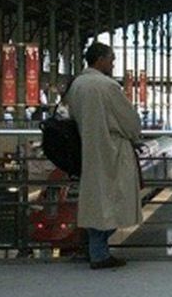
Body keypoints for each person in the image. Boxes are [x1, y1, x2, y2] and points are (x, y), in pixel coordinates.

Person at [66, 42, 143, 270]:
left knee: (95, 200)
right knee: (114, 202)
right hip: (113, 150)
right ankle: (99, 254)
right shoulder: (107, 86)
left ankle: (93, 249)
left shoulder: (77, 84)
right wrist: (134, 134)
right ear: (100, 59)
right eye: (111, 58)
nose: (113, 63)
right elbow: (130, 122)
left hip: (88, 149)